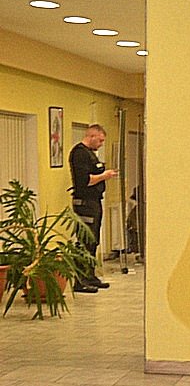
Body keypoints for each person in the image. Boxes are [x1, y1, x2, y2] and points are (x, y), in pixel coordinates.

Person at [69, 124, 117, 291]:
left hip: (94, 201)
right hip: (84, 203)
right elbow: (84, 181)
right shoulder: (79, 153)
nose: (101, 144)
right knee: (85, 241)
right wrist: (104, 175)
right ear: (92, 136)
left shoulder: (90, 154)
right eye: (100, 140)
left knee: (93, 241)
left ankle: (89, 276)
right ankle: (80, 280)